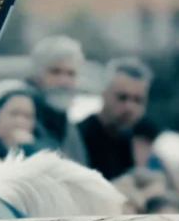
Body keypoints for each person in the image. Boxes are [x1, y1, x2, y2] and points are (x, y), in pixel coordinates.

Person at [78, 57, 157, 180]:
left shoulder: (132, 139)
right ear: (104, 93)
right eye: (122, 97)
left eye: (138, 100)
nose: (129, 107)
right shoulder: (79, 137)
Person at [26, 35, 89, 164]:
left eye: (71, 74)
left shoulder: (64, 119)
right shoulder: (22, 114)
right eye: (55, 72)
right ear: (36, 75)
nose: (63, 81)